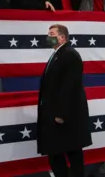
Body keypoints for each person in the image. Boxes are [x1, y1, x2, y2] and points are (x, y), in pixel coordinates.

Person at [37, 24, 92, 177]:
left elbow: (70, 87)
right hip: (55, 114)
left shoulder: (70, 55)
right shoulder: (58, 54)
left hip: (65, 117)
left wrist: (61, 114)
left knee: (72, 152)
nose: (48, 37)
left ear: (62, 37)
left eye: (51, 34)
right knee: (56, 153)